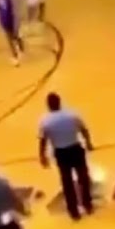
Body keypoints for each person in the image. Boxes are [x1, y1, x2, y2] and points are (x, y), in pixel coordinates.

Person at [37, 92, 96, 220]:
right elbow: (84, 129)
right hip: (75, 148)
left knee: (67, 182)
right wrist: (89, 143)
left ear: (48, 105)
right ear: (60, 102)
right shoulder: (72, 115)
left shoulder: (45, 121)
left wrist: (42, 156)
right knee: (83, 177)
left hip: (61, 153)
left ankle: (73, 212)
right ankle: (88, 205)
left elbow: (43, 140)